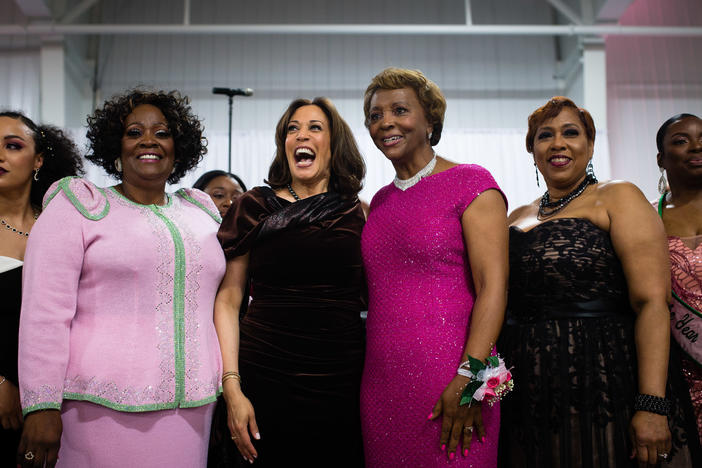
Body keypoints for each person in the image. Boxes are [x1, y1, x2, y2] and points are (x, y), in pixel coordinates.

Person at [16, 90, 225, 468]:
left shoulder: (201, 212)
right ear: (116, 146)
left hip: (194, 411)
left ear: (179, 148)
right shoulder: (80, 207)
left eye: (162, 133)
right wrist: (40, 405)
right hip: (94, 411)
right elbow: (44, 311)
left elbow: (223, 304)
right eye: (134, 132)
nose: (149, 140)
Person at [498, 96, 678, 467]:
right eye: (545, 135)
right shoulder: (515, 214)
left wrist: (651, 404)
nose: (558, 143)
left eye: (571, 133)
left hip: (602, 384)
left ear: (590, 144)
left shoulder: (617, 196)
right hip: (528, 393)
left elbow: (653, 303)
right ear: (532, 150)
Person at [360, 67, 509, 467]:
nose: (386, 122)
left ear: (430, 120)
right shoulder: (379, 202)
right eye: (375, 116)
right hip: (382, 383)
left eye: (400, 110)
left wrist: (471, 378)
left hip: (454, 375)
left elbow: (493, 287)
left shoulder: (472, 182)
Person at [213, 97, 367, 467]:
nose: (302, 135)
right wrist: (231, 387)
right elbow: (229, 299)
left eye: (315, 127)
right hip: (264, 372)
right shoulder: (253, 206)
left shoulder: (357, 213)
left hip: (341, 376)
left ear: (334, 142)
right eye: (292, 129)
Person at [0, 111, 83, 467]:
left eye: (13, 146)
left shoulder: (63, 224)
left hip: (56, 400)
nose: (0, 155)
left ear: (38, 160)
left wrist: (44, 397)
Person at [656, 113, 702, 454]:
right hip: (679, 373)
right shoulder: (645, 218)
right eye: (681, 140)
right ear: (661, 158)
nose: (697, 145)